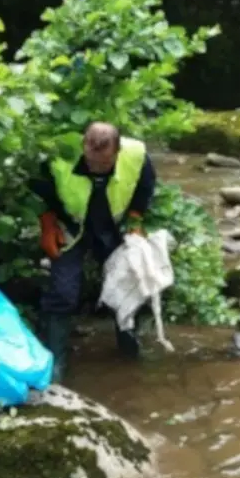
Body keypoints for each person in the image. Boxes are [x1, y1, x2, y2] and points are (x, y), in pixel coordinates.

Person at [29, 121, 156, 382]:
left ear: (118, 152)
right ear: (83, 147)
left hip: (114, 227)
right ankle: (56, 361)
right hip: (72, 227)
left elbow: (145, 186)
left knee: (128, 283)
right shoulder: (58, 157)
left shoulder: (136, 157)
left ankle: (128, 346)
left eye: (104, 163)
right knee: (63, 291)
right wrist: (47, 223)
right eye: (91, 161)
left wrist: (135, 219)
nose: (96, 167)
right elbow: (37, 190)